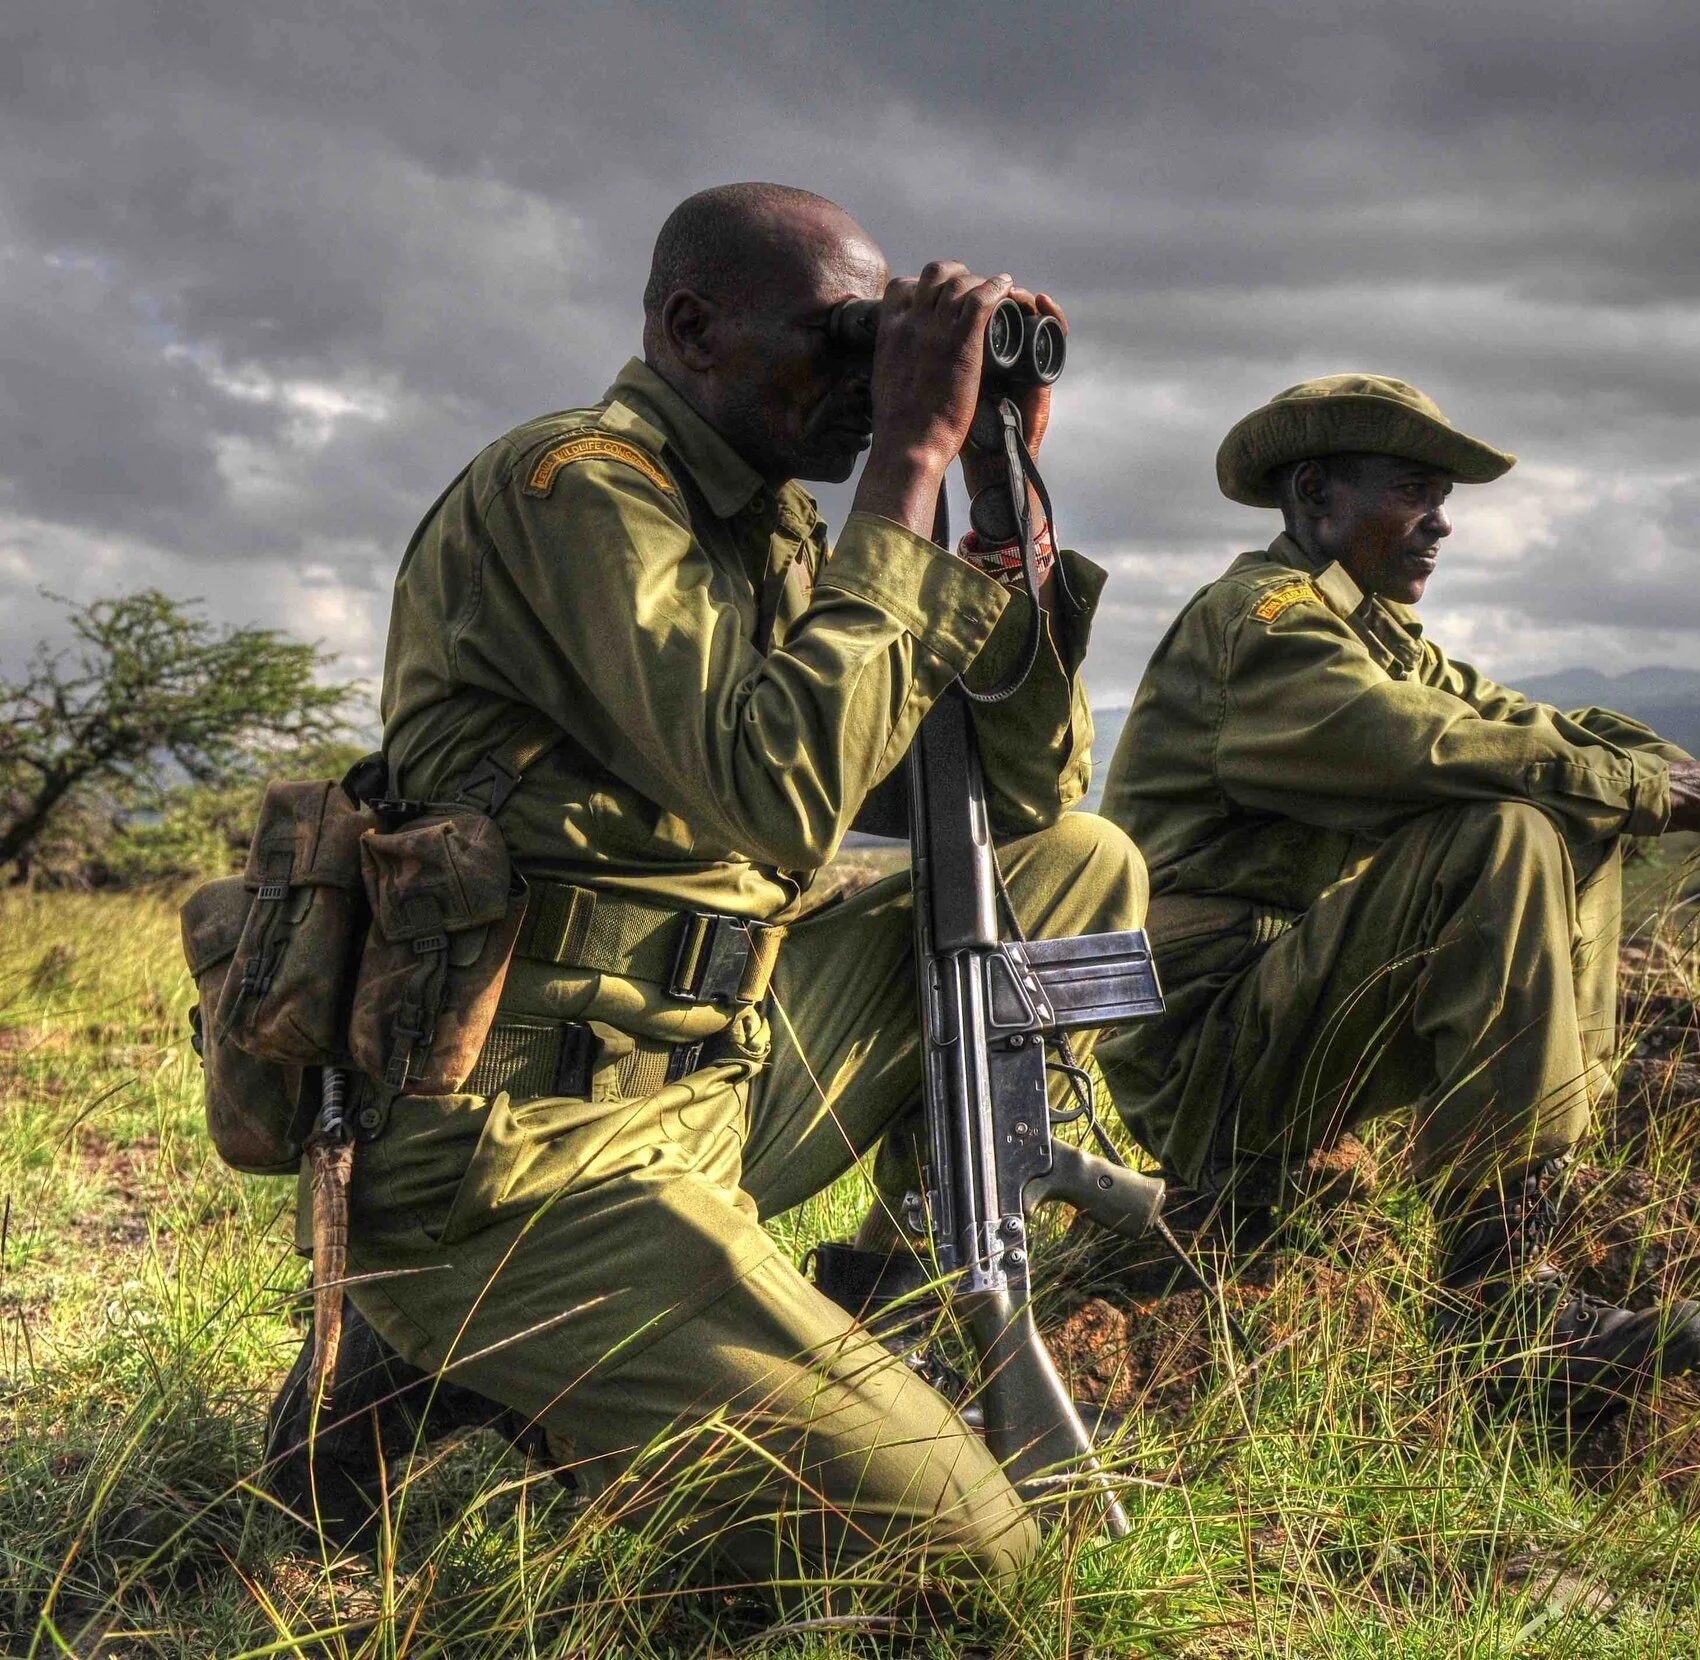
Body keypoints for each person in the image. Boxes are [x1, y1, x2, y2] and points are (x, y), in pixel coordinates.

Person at [263, 183, 1145, 1591]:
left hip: (708, 1087)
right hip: (518, 1147)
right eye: (841, 342)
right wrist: (908, 454)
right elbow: (778, 791)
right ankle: (458, 1345)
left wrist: (995, 510)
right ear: (692, 329)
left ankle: (877, 1304)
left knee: (1074, 873)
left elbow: (1020, 800)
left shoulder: (781, 538)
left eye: (890, 349)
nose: (871, 383)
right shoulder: (574, 486)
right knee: (975, 1560)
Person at [1097, 374, 1700, 1413]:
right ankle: (1496, 1300)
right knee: (1503, 825)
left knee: (1559, 805)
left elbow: (1525, 721)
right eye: (1415, 491)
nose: (1441, 522)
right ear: (1318, 493)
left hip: (1277, 1022)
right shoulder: (1267, 624)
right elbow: (1421, 742)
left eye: (1442, 497)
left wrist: (1670, 771)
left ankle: (1519, 1218)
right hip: (1202, 1049)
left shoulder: (1376, 636)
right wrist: (1651, 789)